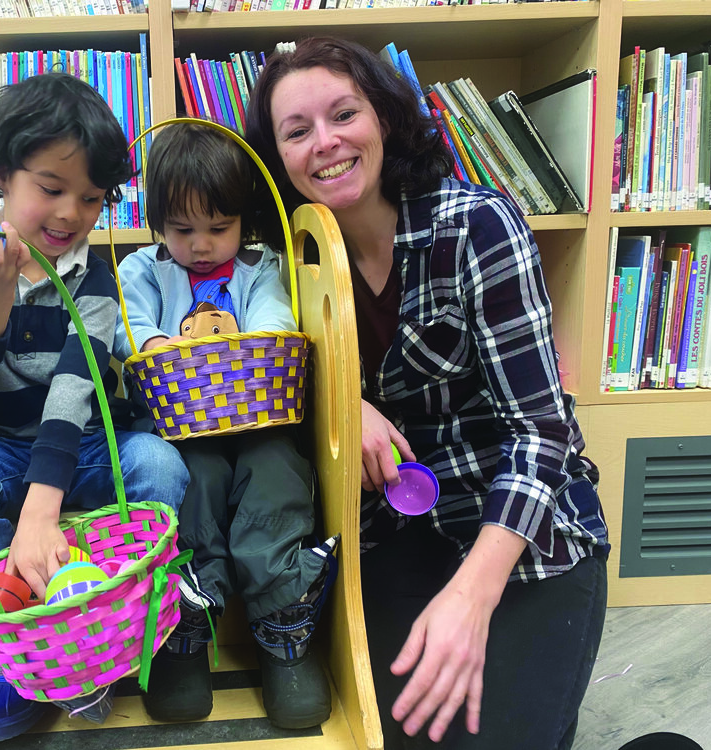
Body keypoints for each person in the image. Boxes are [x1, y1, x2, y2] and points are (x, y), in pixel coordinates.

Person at [246, 37, 610, 750]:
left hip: (521, 531)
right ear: (278, 157)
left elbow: (543, 437)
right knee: (397, 734)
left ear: (382, 116)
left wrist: (473, 598)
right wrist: (343, 400)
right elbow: (269, 391)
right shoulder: (290, 260)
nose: (325, 143)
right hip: (394, 535)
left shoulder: (476, 225)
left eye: (343, 114)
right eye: (297, 131)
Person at [0, 72, 190, 745]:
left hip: (89, 446)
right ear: (3, 175)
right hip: (7, 448)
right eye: (51, 188)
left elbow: (78, 386)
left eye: (92, 199)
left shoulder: (93, 274)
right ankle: (16, 646)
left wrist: (43, 510)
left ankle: (154, 622)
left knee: (159, 461)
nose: (71, 214)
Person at [112, 122, 339, 729]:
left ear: (243, 221)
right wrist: (158, 339)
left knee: (279, 475)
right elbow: (125, 325)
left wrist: (255, 338)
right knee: (190, 484)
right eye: (183, 231)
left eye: (219, 228)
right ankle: (187, 626)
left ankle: (282, 626)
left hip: (259, 421)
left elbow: (275, 318)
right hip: (180, 429)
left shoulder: (259, 267)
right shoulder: (142, 269)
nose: (203, 245)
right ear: (158, 223)